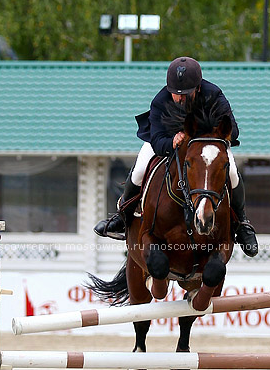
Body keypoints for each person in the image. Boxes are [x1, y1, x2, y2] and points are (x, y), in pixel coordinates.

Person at [94, 56, 258, 257]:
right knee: (139, 170)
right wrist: (171, 142)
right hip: (166, 142)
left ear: (197, 88)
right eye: (176, 94)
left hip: (207, 146)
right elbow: (156, 139)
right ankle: (122, 217)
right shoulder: (160, 100)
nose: (180, 98)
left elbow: (233, 131)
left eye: (185, 94)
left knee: (232, 171)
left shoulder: (213, 94)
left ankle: (242, 224)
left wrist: (209, 138)